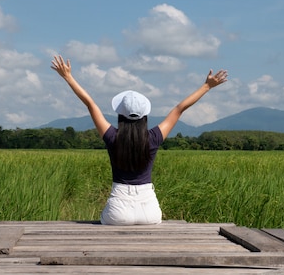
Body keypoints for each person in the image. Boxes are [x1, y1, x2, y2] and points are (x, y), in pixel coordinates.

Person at [51, 55, 228, 225]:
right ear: (145, 116)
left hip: (117, 211)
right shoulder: (153, 138)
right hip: (149, 211)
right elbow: (179, 109)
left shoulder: (112, 136)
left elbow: (90, 104)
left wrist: (68, 77)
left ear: (120, 115)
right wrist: (207, 86)